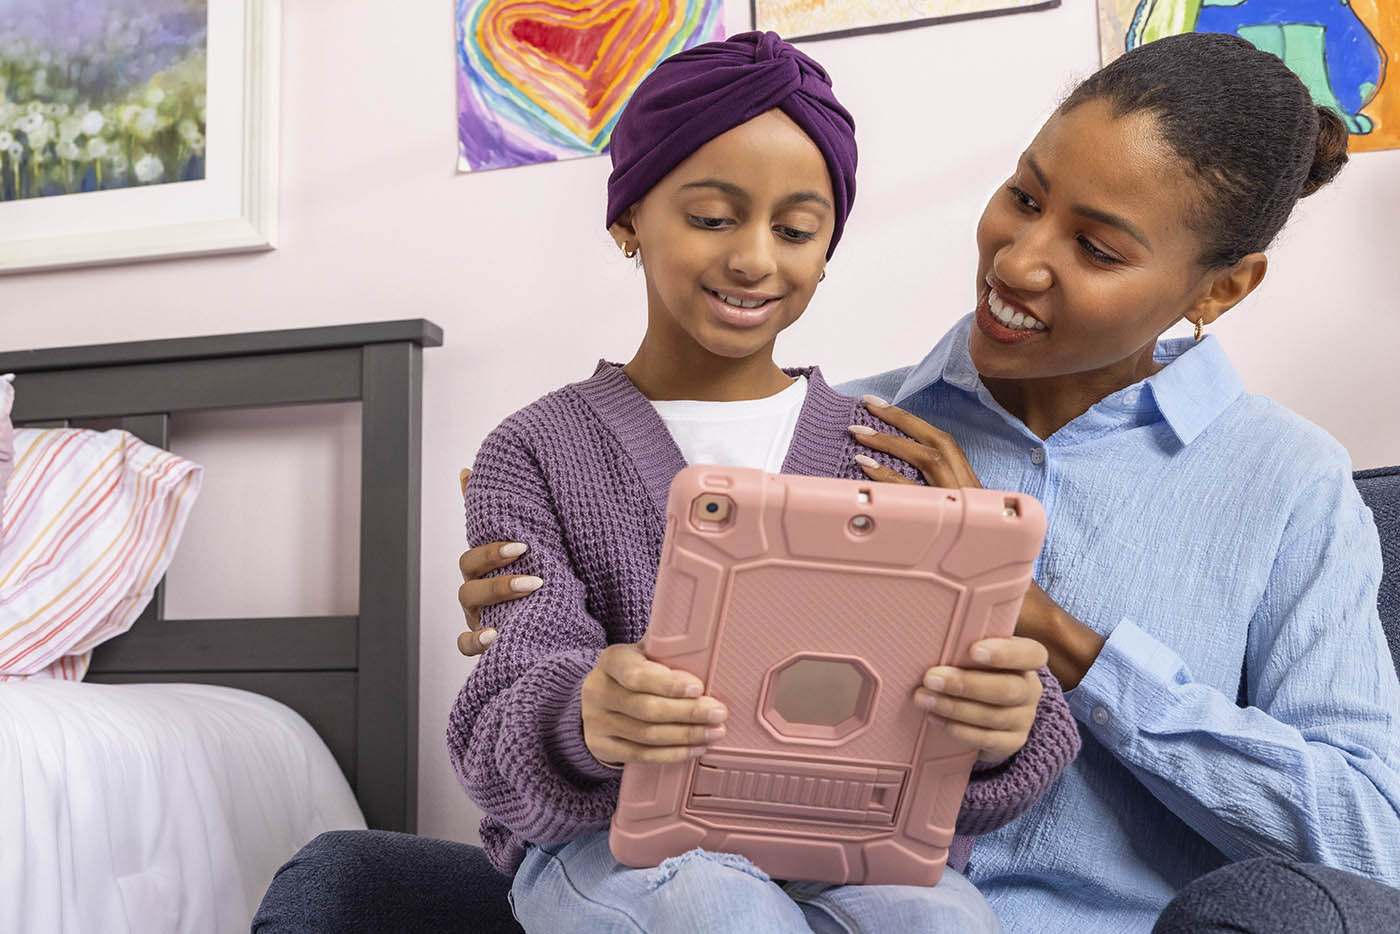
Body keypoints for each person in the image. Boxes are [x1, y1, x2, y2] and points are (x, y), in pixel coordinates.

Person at [454, 30, 1400, 933]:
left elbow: (1375, 841)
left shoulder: (1288, 484)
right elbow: (563, 652)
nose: (1019, 261)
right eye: (1024, 196)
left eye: (1098, 249)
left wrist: (1063, 642)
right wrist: (557, 654)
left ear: (1220, 289)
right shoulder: (869, 437)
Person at [443, 31, 1080, 934]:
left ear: (827, 250)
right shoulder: (533, 452)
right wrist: (586, 715)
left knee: (945, 921)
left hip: (844, 842)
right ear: (628, 220)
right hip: (611, 844)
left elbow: (999, 715)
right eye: (712, 218)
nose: (754, 259)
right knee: (719, 909)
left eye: (795, 230)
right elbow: (503, 708)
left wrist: (1005, 723)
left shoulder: (887, 454)